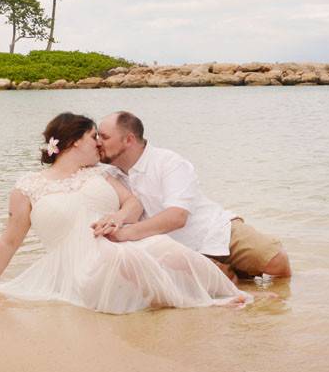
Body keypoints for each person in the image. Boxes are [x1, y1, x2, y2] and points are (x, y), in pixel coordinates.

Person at [0, 112, 250, 314]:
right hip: (76, 263)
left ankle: (234, 296)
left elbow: (134, 203)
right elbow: (9, 241)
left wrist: (117, 218)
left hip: (115, 242)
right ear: (75, 142)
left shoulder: (101, 174)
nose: (99, 146)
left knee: (166, 248)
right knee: (126, 260)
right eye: (94, 138)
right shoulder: (27, 188)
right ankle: (209, 306)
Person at [95, 111, 291, 281]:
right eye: (96, 137)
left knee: (277, 263)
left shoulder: (168, 162)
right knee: (230, 292)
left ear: (128, 139)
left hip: (213, 231)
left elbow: (177, 216)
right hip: (180, 252)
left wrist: (125, 234)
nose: (98, 142)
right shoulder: (108, 176)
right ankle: (235, 275)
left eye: (104, 137)